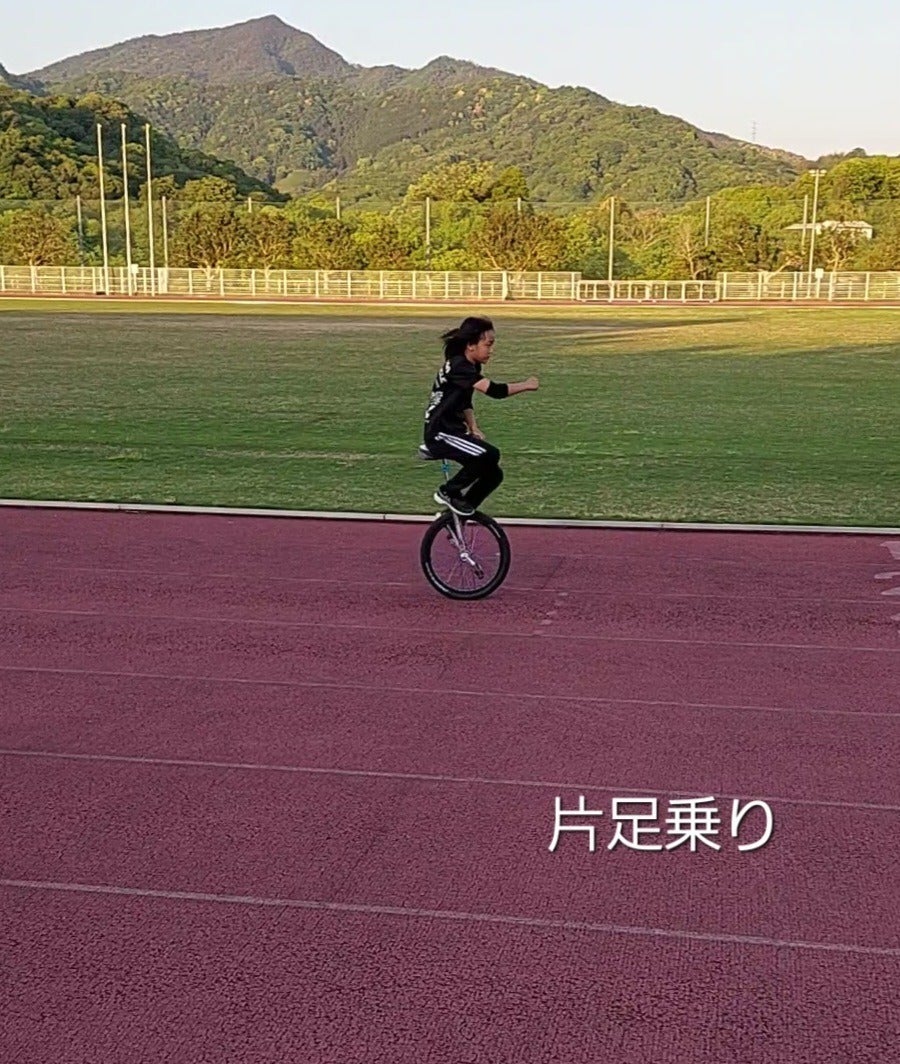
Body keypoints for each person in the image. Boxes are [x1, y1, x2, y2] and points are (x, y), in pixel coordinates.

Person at [421, 315, 539, 516]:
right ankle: (447, 491)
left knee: (493, 474)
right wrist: (525, 385)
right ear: (470, 345)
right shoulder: (459, 366)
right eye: (488, 344)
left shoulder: (469, 366)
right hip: (441, 433)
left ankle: (459, 513)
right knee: (489, 454)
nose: (491, 350)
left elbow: (465, 402)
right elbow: (495, 391)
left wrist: (473, 427)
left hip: (453, 431)